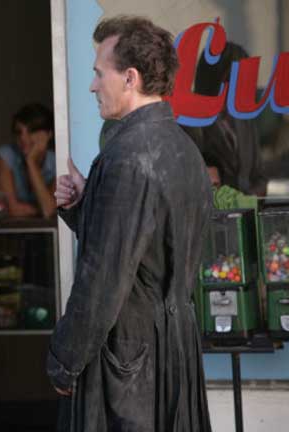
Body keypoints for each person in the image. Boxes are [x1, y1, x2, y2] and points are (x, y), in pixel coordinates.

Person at [47, 17, 213, 432]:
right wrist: (85, 204)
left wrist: (64, 360)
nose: (92, 86)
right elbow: (145, 249)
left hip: (130, 364)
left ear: (130, 77)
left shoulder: (128, 157)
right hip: (174, 352)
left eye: (99, 73)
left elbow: (103, 278)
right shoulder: (184, 147)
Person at [189, 42, 268, 196]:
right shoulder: (189, 121)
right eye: (236, 78)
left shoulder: (244, 119)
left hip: (246, 208)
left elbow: (260, 176)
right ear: (215, 77)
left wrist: (246, 199)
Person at [0, 103, 57, 218]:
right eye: (19, 132)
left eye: (31, 131)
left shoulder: (57, 162)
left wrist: (31, 162)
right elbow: (11, 209)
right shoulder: (5, 156)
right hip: (14, 228)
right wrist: (40, 209)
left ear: (48, 134)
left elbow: (49, 211)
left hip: (48, 229)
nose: (23, 138)